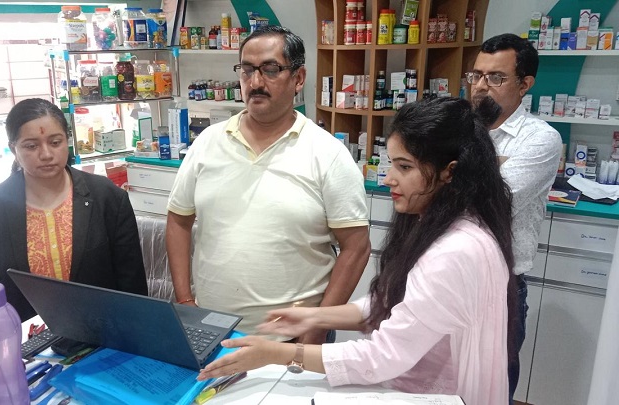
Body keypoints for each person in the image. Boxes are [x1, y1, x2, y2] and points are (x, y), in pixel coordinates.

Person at [196, 97, 515, 405]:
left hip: (429, 393)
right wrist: (313, 316)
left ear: (449, 172)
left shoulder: (454, 252)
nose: (388, 179)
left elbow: (383, 355)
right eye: (392, 164)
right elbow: (391, 303)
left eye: (404, 167)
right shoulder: (446, 226)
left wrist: (278, 353)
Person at [166, 25, 370, 344]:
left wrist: (316, 328)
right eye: (247, 70)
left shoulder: (327, 153)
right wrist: (185, 300)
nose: (256, 82)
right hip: (212, 330)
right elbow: (178, 220)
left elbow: (356, 247)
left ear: (298, 78)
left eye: (270, 69)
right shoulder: (207, 143)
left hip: (292, 337)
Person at [0, 98, 148, 321]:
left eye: (55, 142)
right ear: (13, 148)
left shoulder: (108, 198)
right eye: (31, 146)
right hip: (25, 337)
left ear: (67, 140)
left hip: (101, 333)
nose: (46, 154)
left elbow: (133, 288)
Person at [468, 33, 562, 401]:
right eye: (476, 75)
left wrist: (448, 181)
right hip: (446, 275)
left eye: (496, 77)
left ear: (525, 84)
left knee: (491, 389)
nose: (480, 86)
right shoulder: (458, 130)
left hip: (499, 286)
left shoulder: (539, 139)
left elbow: (490, 202)